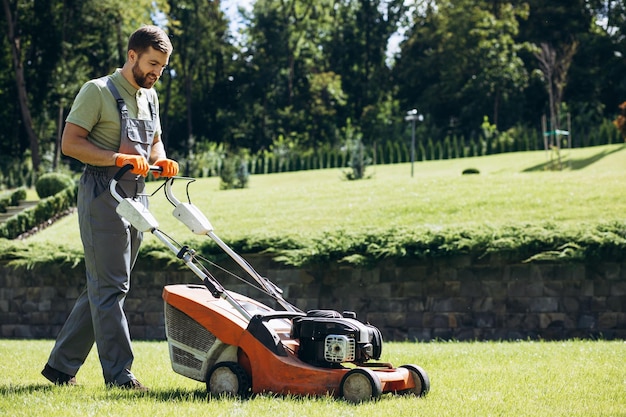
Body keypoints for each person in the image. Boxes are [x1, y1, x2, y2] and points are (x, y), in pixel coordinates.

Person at [41, 25, 178, 391]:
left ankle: (60, 367)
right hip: (103, 192)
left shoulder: (150, 97)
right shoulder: (97, 91)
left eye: (162, 67)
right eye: (152, 64)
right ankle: (120, 375)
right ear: (132, 55)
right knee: (111, 285)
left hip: (138, 195)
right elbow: (70, 144)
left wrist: (162, 161)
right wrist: (116, 157)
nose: (157, 73)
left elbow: (155, 144)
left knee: (105, 286)